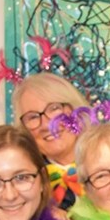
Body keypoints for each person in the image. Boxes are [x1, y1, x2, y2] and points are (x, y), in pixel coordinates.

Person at [12, 72, 92, 209]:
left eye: (54, 108)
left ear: (76, 110)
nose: (46, 125)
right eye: (32, 117)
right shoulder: (23, 184)